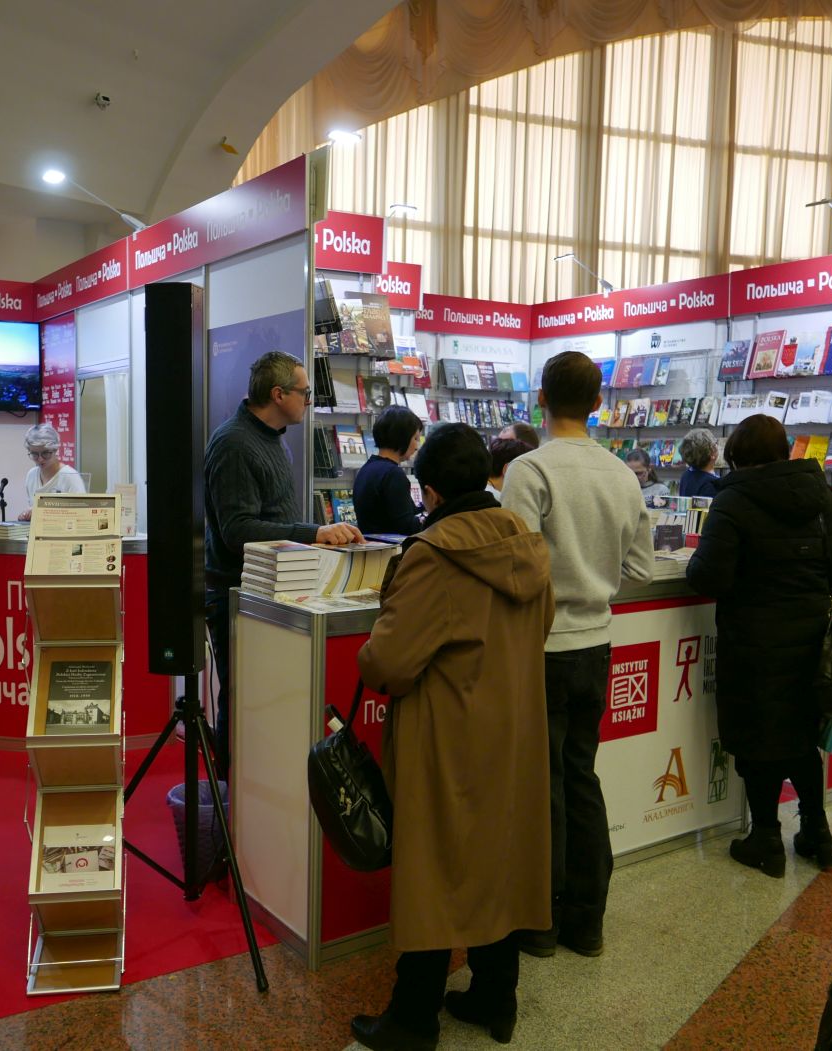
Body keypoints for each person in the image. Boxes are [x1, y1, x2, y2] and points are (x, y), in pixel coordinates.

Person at [352, 423, 554, 1050]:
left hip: (447, 733)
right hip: (514, 728)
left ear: (431, 492)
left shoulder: (434, 556)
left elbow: (388, 662)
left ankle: (412, 1019)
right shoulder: (525, 541)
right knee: (498, 858)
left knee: (435, 868)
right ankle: (496, 993)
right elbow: (541, 626)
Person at [500, 350, 653, 959]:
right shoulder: (622, 474)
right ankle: (587, 921)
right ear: (597, 403)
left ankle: (540, 921)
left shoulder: (529, 469)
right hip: (597, 644)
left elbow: (514, 568)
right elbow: (640, 569)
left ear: (540, 398)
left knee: (543, 785)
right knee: (582, 776)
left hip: (544, 647)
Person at [685, 414, 832, 879]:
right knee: (801, 736)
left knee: (758, 739)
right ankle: (817, 833)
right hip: (812, 637)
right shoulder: (824, 496)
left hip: (753, 640)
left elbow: (710, 577)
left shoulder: (733, 499)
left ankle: (766, 839)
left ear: (738, 455)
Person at [204, 351, 362, 776]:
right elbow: (238, 530)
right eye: (305, 392)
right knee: (242, 696)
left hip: (273, 589)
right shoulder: (234, 444)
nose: (309, 400)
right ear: (278, 394)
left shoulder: (271, 438)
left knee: (265, 698)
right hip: (239, 593)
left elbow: (271, 517)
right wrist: (314, 533)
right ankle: (234, 792)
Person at [353, 405, 424, 535]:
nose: (416, 446)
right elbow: (405, 526)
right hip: (390, 546)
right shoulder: (393, 474)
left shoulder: (367, 469)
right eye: (415, 438)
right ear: (402, 437)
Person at [18, 423, 85, 521]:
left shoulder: (70, 477)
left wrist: (39, 512)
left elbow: (81, 515)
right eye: (34, 454)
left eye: (45, 453)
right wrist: (26, 515)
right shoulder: (31, 475)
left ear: (56, 449)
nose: (40, 459)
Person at [678, 428, 721, 498]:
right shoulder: (713, 484)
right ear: (712, 453)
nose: (717, 445)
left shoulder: (686, 475)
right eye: (716, 443)